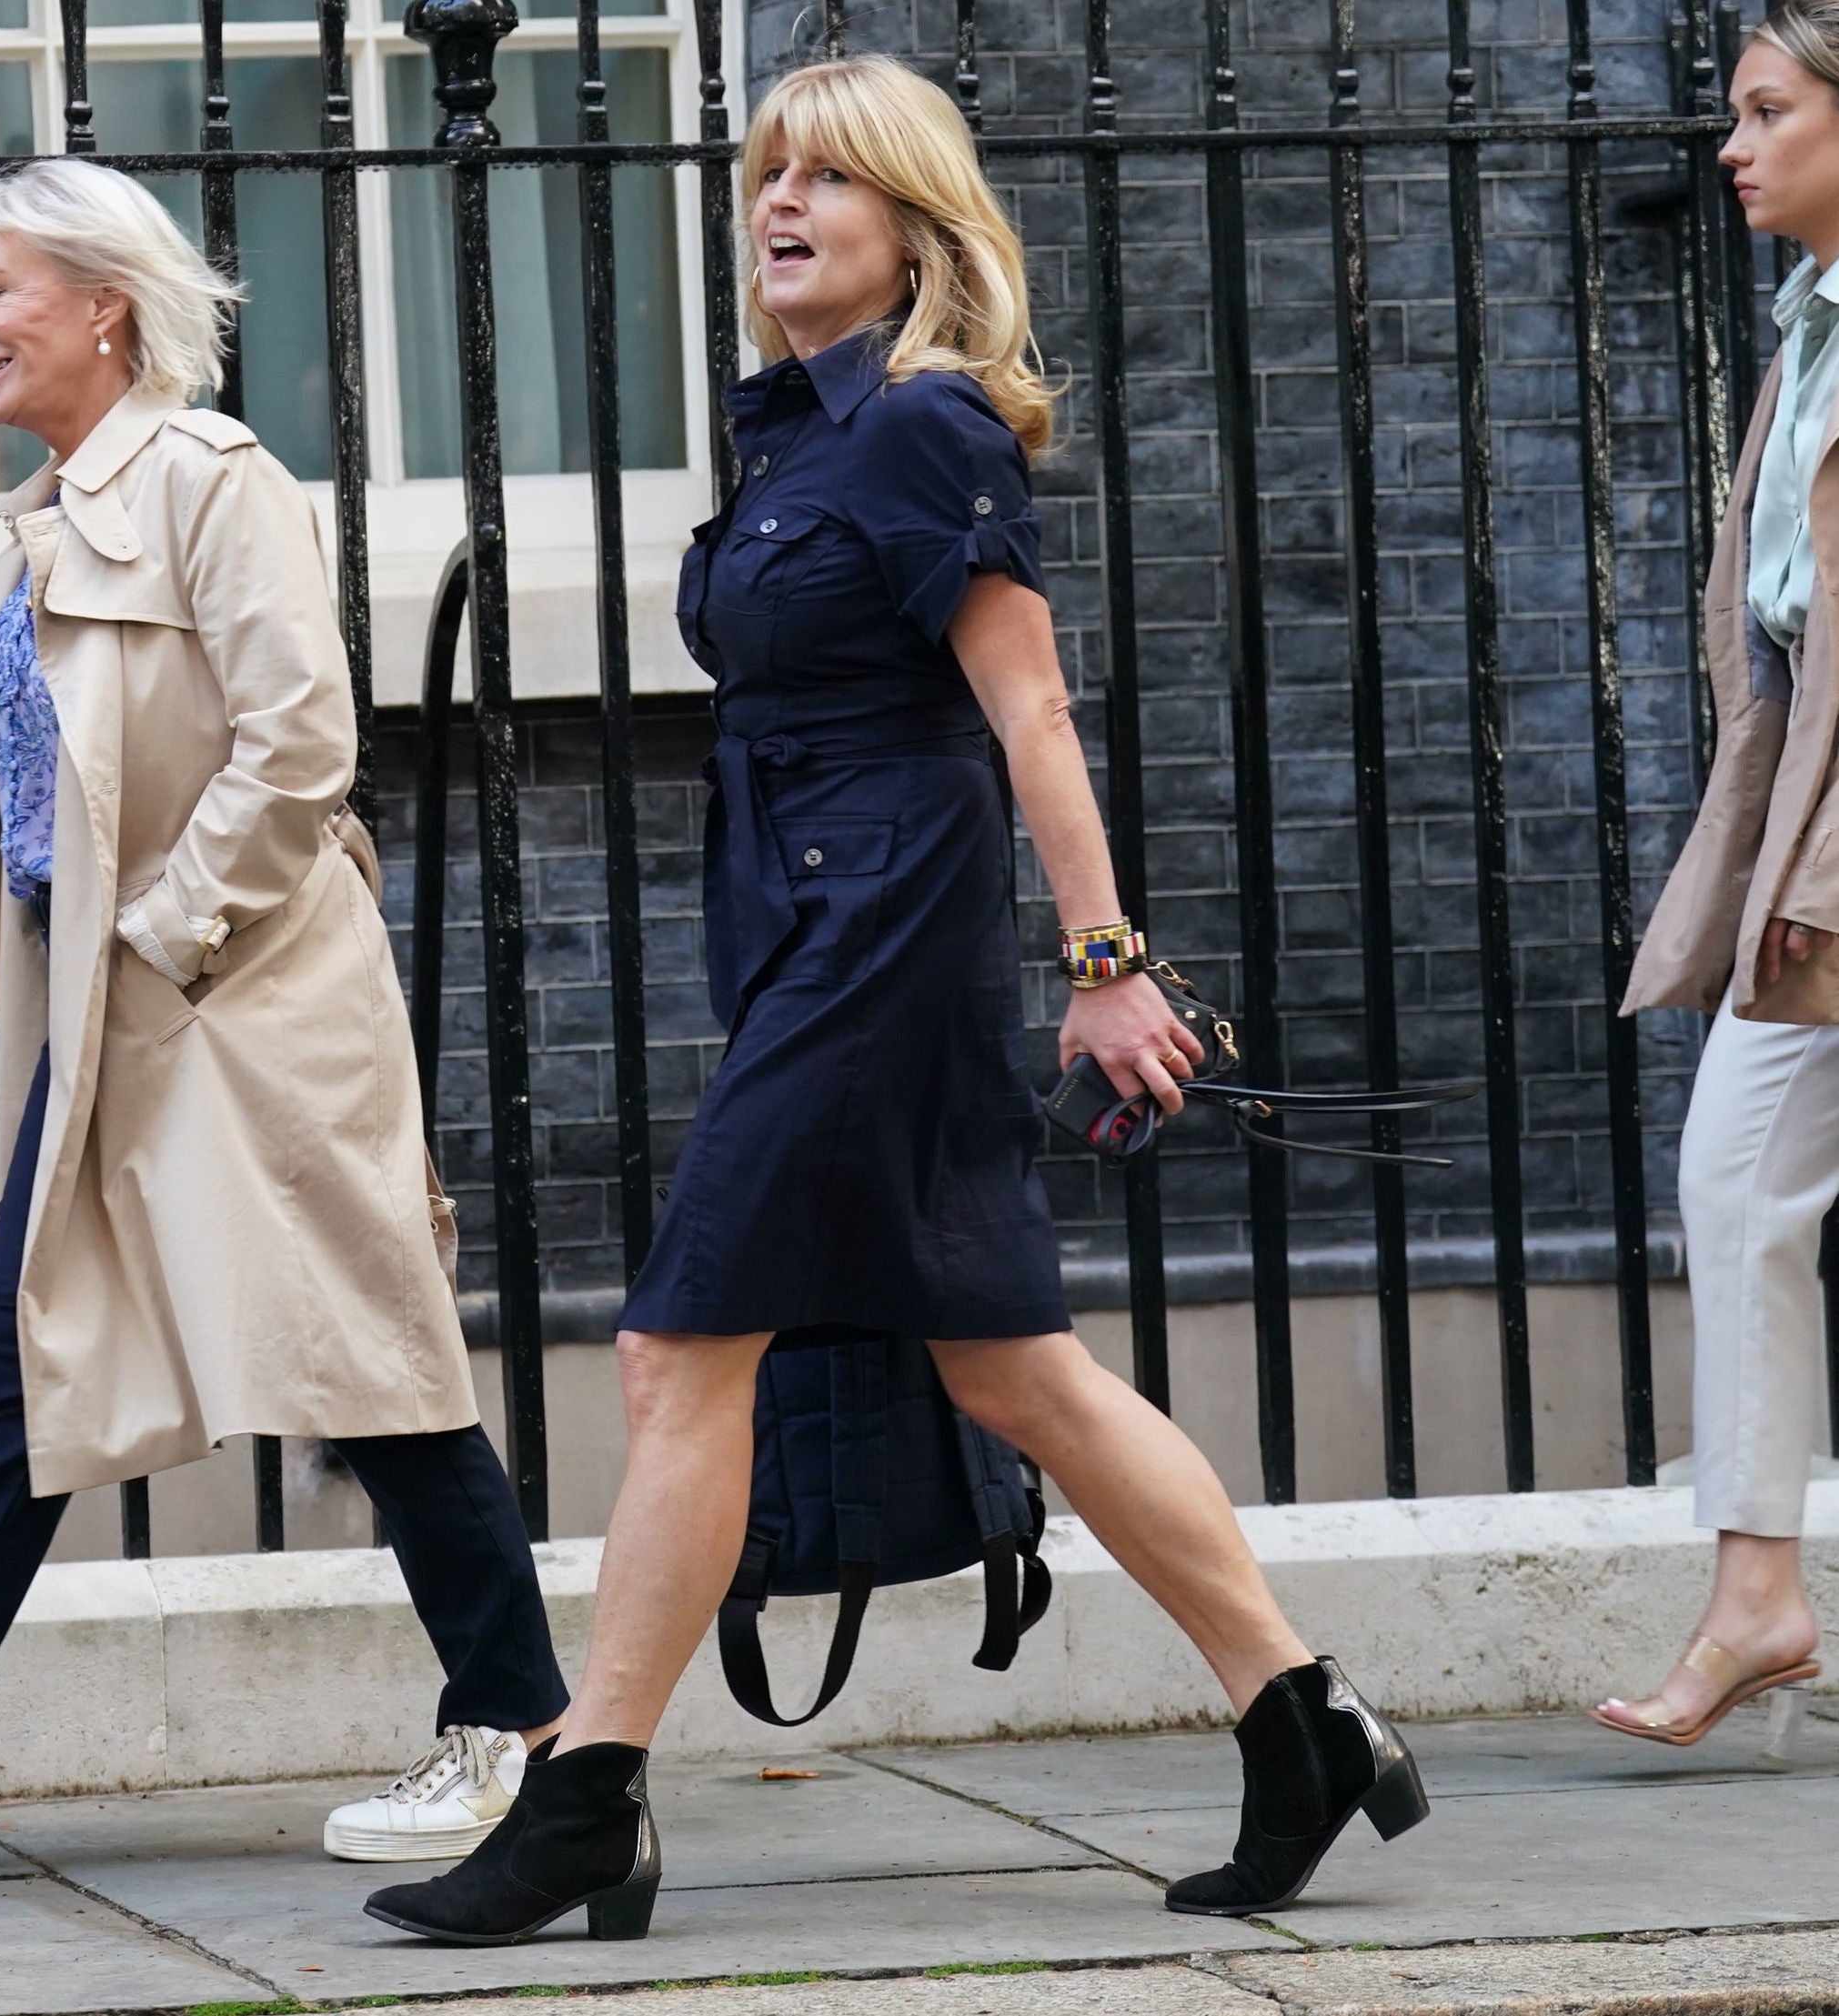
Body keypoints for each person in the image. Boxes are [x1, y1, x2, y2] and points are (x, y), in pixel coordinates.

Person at [362, 55, 1427, 1948]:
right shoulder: (796, 438)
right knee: (1014, 1364)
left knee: (681, 1348)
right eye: (769, 173)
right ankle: (1307, 1716)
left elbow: (1025, 706)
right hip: (812, 932)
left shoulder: (930, 431)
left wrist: (1108, 966)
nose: (781, 203)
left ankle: (585, 1791)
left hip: (881, 941)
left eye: (829, 181)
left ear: (913, 229)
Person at [0, 157, 568, 1869]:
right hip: (118, 1004)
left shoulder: (212, 482)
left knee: (368, 1364)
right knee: (24, 1354)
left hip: (241, 1001)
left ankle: (525, 1734)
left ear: (105, 304)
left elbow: (301, 744)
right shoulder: (52, 516)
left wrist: (160, 935)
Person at [1599, 0, 1839, 1748]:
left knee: (1741, 1172)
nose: (1730, 146)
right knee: (1739, 1181)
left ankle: (1758, 1593)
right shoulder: (1805, 331)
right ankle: (1757, 1591)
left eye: (1765, 111)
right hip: (1806, 817)